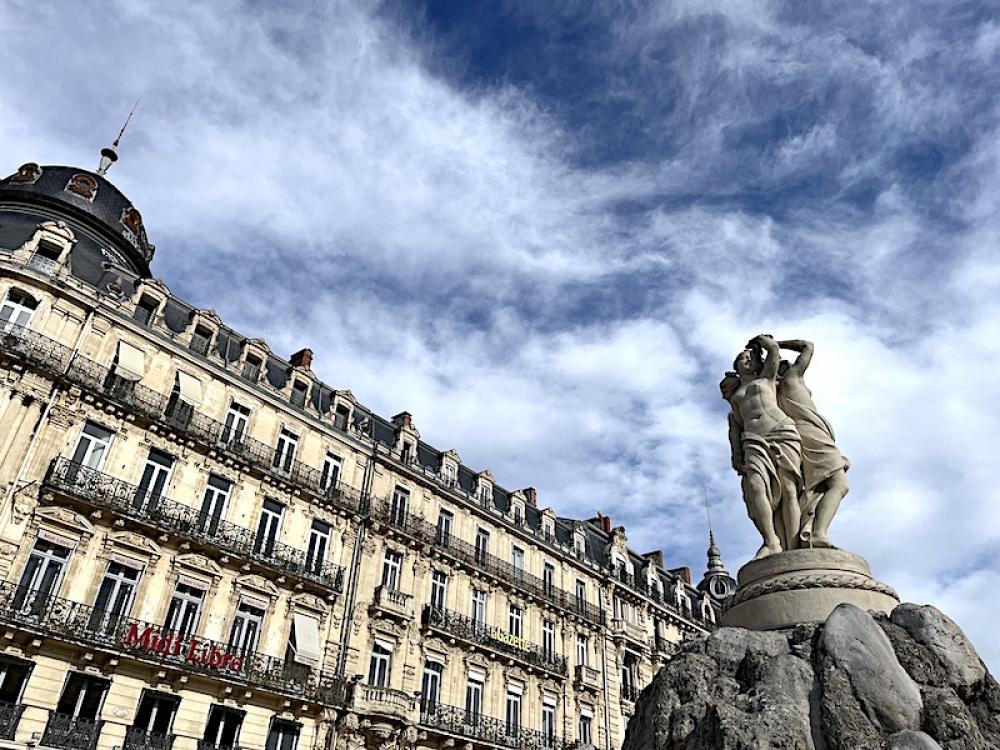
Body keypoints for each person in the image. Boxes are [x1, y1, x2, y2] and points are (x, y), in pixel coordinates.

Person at [721, 334, 803, 558]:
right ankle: (771, 541)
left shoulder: (766, 379)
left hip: (781, 431)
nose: (746, 361)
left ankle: (795, 544)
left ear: (758, 363)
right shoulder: (736, 397)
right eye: (741, 358)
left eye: (749, 358)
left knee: (788, 489)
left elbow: (774, 352)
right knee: (756, 486)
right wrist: (736, 456)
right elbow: (735, 428)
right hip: (753, 440)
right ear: (736, 366)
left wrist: (760, 342)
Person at [777, 339, 849, 547]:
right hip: (812, 435)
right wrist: (777, 344)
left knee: (816, 489)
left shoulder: (777, 391)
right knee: (839, 484)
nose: (791, 365)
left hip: (809, 433)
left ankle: (810, 530)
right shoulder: (793, 377)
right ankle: (818, 533)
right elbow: (807, 346)